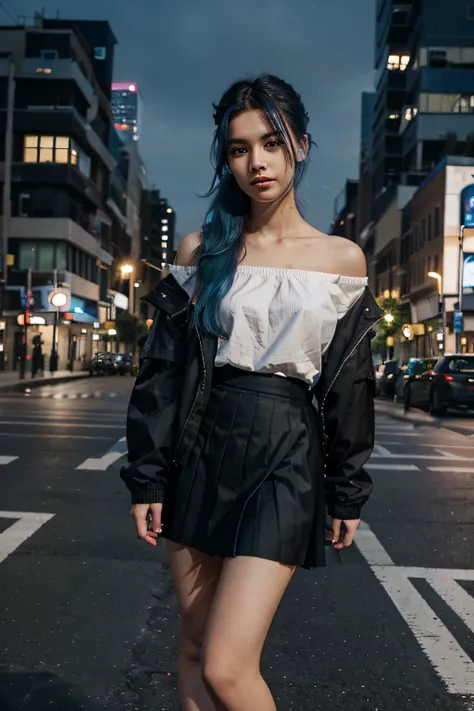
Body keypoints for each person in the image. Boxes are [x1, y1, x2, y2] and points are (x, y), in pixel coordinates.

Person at [121, 74, 383, 711]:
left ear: (301, 144)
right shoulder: (201, 252)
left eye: (271, 142)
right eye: (239, 149)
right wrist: (148, 477)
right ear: (225, 158)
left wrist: (346, 486)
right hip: (199, 445)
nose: (256, 162)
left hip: (285, 456)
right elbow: (163, 372)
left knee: (227, 667)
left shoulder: (341, 259)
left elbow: (351, 384)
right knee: (191, 644)